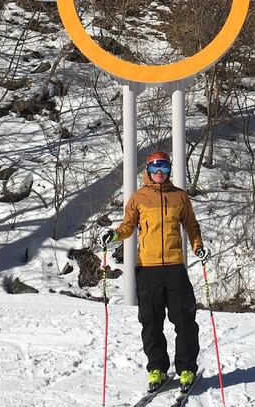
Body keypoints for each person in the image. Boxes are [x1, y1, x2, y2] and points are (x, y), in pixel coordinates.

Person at [101, 150, 209, 393]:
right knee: (150, 320)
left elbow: (191, 225)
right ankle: (157, 368)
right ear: (148, 171)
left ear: (169, 170)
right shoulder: (139, 198)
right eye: (154, 168)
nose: (159, 172)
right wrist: (114, 234)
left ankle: (186, 368)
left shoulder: (179, 197)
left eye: (164, 168)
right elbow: (128, 225)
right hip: (147, 268)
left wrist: (198, 247)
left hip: (174, 266)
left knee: (184, 319)